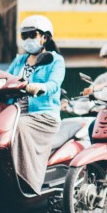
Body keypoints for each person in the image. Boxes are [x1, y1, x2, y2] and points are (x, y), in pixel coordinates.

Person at [6, 15, 66, 193]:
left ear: (45, 37)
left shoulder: (55, 60)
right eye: (24, 36)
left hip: (43, 114)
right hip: (15, 109)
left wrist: (39, 87)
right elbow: (5, 78)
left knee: (18, 126)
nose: (28, 39)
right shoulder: (19, 60)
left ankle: (27, 180)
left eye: (32, 34)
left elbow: (54, 85)